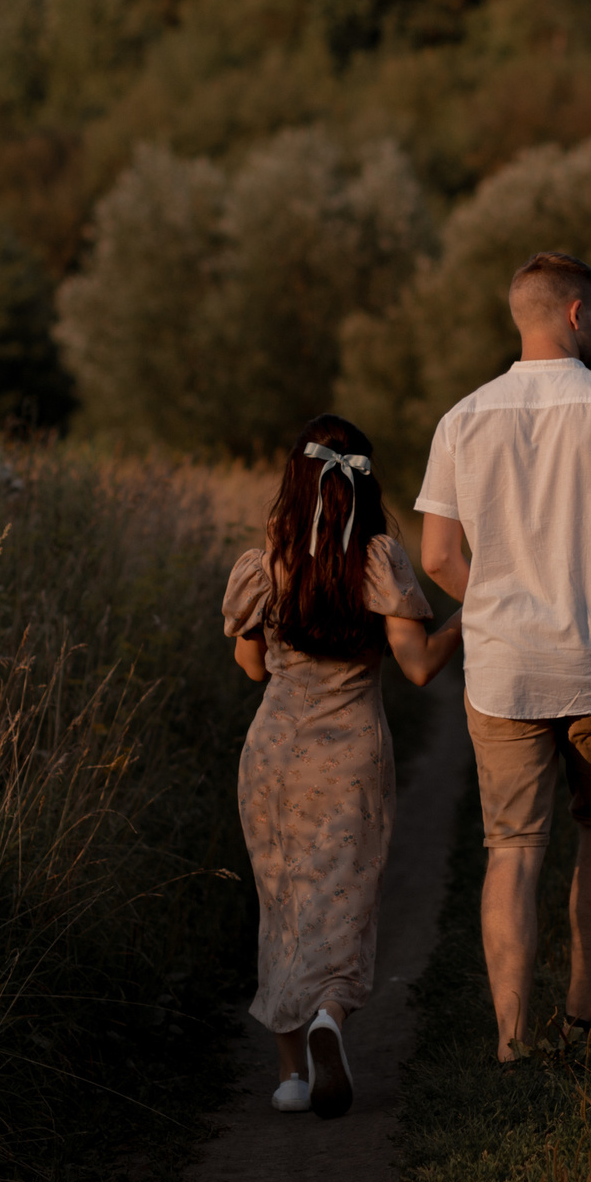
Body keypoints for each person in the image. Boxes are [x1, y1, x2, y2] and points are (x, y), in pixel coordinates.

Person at [416, 251, 591, 1060]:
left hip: (502, 669)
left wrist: (494, 599)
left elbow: (435, 556)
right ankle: (581, 1015)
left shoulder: (462, 418)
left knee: (512, 848)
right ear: (575, 314)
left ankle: (509, 1041)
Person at [224, 415, 464, 1117]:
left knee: (283, 903)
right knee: (344, 897)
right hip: (352, 752)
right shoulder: (379, 560)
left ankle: (291, 1075)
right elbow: (418, 668)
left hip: (273, 753)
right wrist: (467, 615)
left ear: (295, 484)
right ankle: (332, 1011)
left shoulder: (268, 562)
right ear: (364, 483)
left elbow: (248, 666)